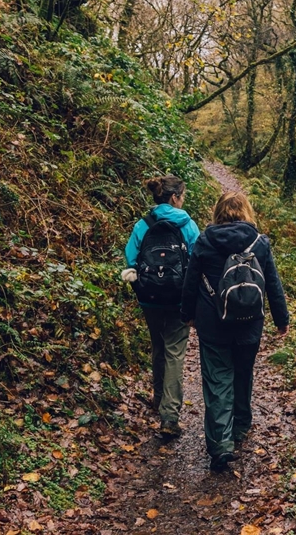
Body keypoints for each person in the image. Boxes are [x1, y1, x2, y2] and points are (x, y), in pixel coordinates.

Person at [181, 191, 289, 472]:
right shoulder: (260, 243)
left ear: (218, 212)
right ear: (247, 212)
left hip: (213, 324)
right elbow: (273, 285)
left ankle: (221, 446)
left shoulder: (205, 241)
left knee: (217, 381)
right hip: (249, 323)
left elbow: (191, 281)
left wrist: (188, 315)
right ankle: (240, 427)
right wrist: (282, 320)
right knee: (243, 373)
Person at [123, 174, 200, 438]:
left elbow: (131, 258)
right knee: (175, 353)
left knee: (158, 346)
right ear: (175, 197)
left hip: (149, 297)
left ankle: (158, 399)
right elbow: (198, 261)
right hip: (179, 298)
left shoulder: (142, 225)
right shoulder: (188, 225)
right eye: (183, 196)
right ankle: (169, 416)